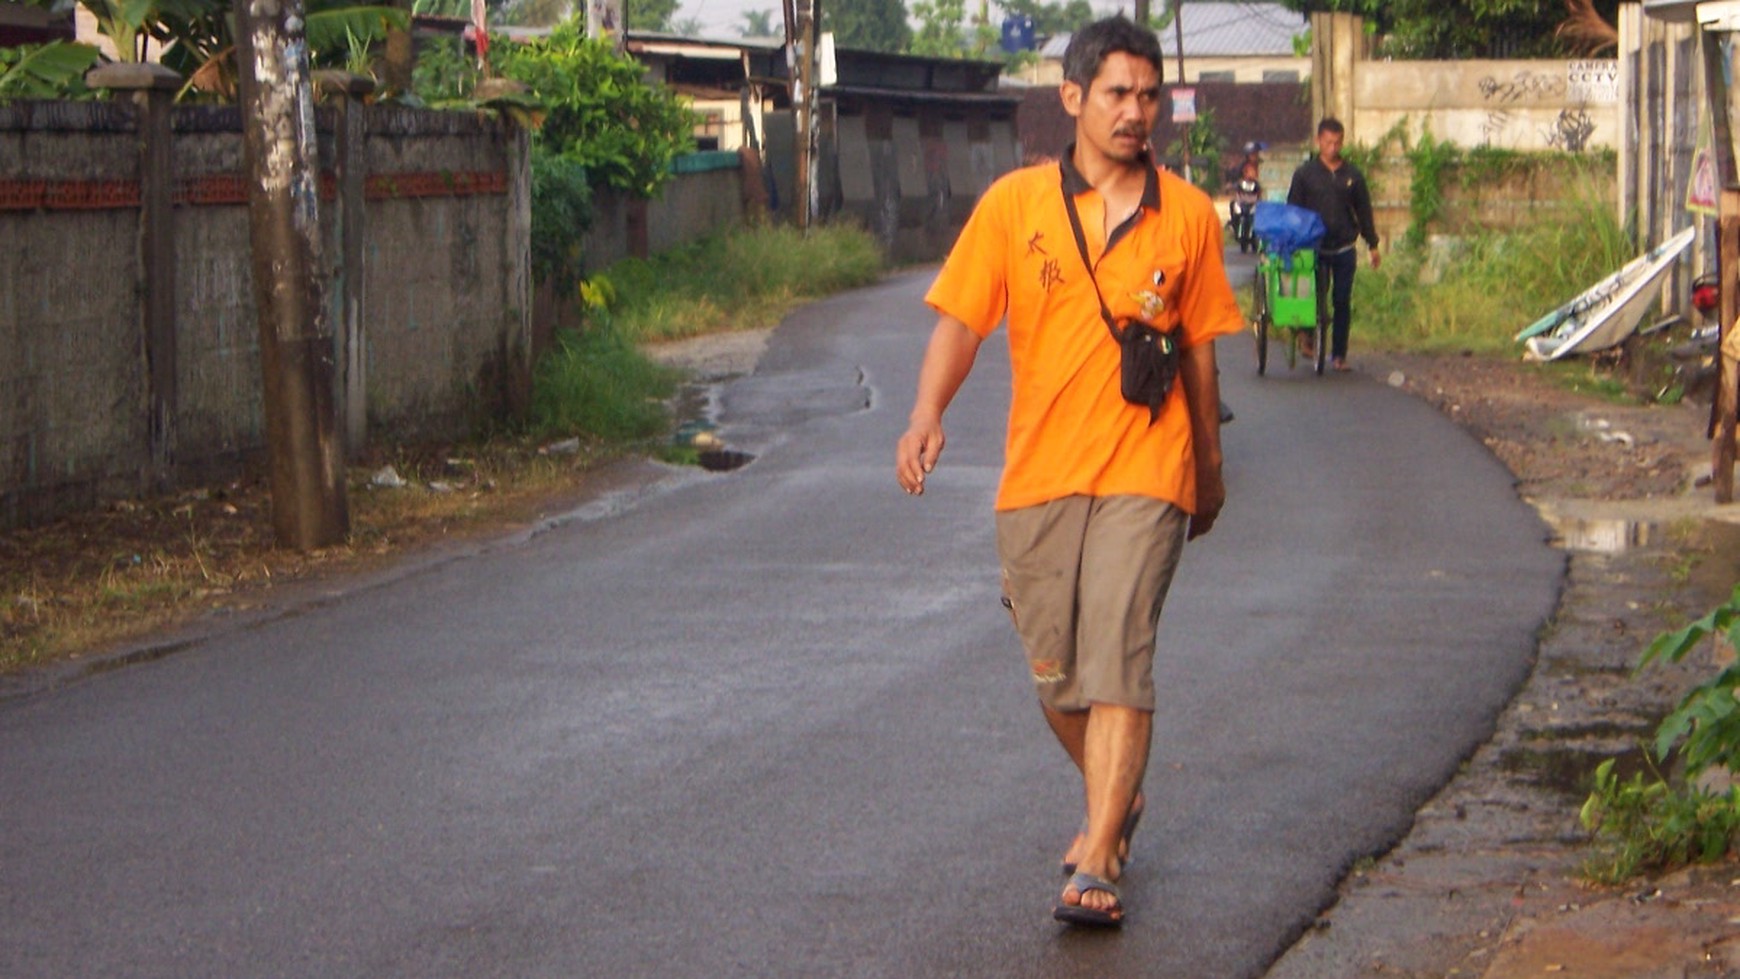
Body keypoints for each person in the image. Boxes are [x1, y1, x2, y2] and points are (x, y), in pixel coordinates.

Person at [893, 15, 1243, 928]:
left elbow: (1201, 357)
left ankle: (1097, 857)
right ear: (1073, 98)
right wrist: (928, 411)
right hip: (1039, 476)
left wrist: (1206, 469)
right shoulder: (1014, 205)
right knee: (1057, 674)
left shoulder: (1191, 216)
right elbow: (963, 321)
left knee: (1120, 647)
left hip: (1147, 464)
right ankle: (1114, 799)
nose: (1136, 112)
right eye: (1118, 94)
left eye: (1149, 95)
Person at [1286, 118, 1380, 371]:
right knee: (1313, 296)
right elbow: (1293, 211)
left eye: (1337, 142)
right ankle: (1307, 335)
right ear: (1319, 141)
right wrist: (1292, 241)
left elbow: (1364, 211)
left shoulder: (1353, 176)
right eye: (1328, 142)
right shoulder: (1305, 174)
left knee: (1341, 300)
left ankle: (1339, 354)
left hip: (1344, 247)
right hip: (1313, 248)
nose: (1333, 147)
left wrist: (1372, 244)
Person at [1229, 158, 1262, 254]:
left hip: (1252, 206)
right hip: (1242, 205)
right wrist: (1237, 203)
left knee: (1253, 222)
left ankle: (1254, 240)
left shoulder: (1256, 185)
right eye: (1248, 172)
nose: (1250, 174)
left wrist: (1256, 202)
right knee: (1234, 210)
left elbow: (1259, 196)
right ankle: (1235, 229)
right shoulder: (1240, 184)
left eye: (1253, 172)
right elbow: (1237, 194)